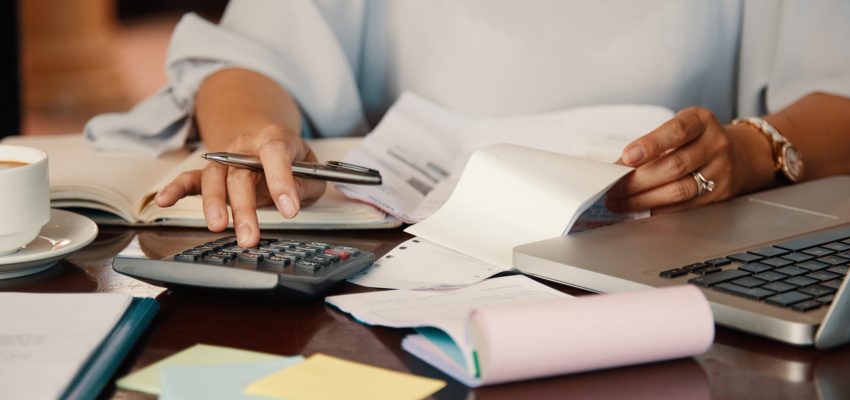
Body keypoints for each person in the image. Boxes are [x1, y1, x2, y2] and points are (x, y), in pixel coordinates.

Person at [86, 0, 850, 248]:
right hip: (413, 250)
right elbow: (254, 55)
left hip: (671, 241)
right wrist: (257, 133)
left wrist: (754, 151)